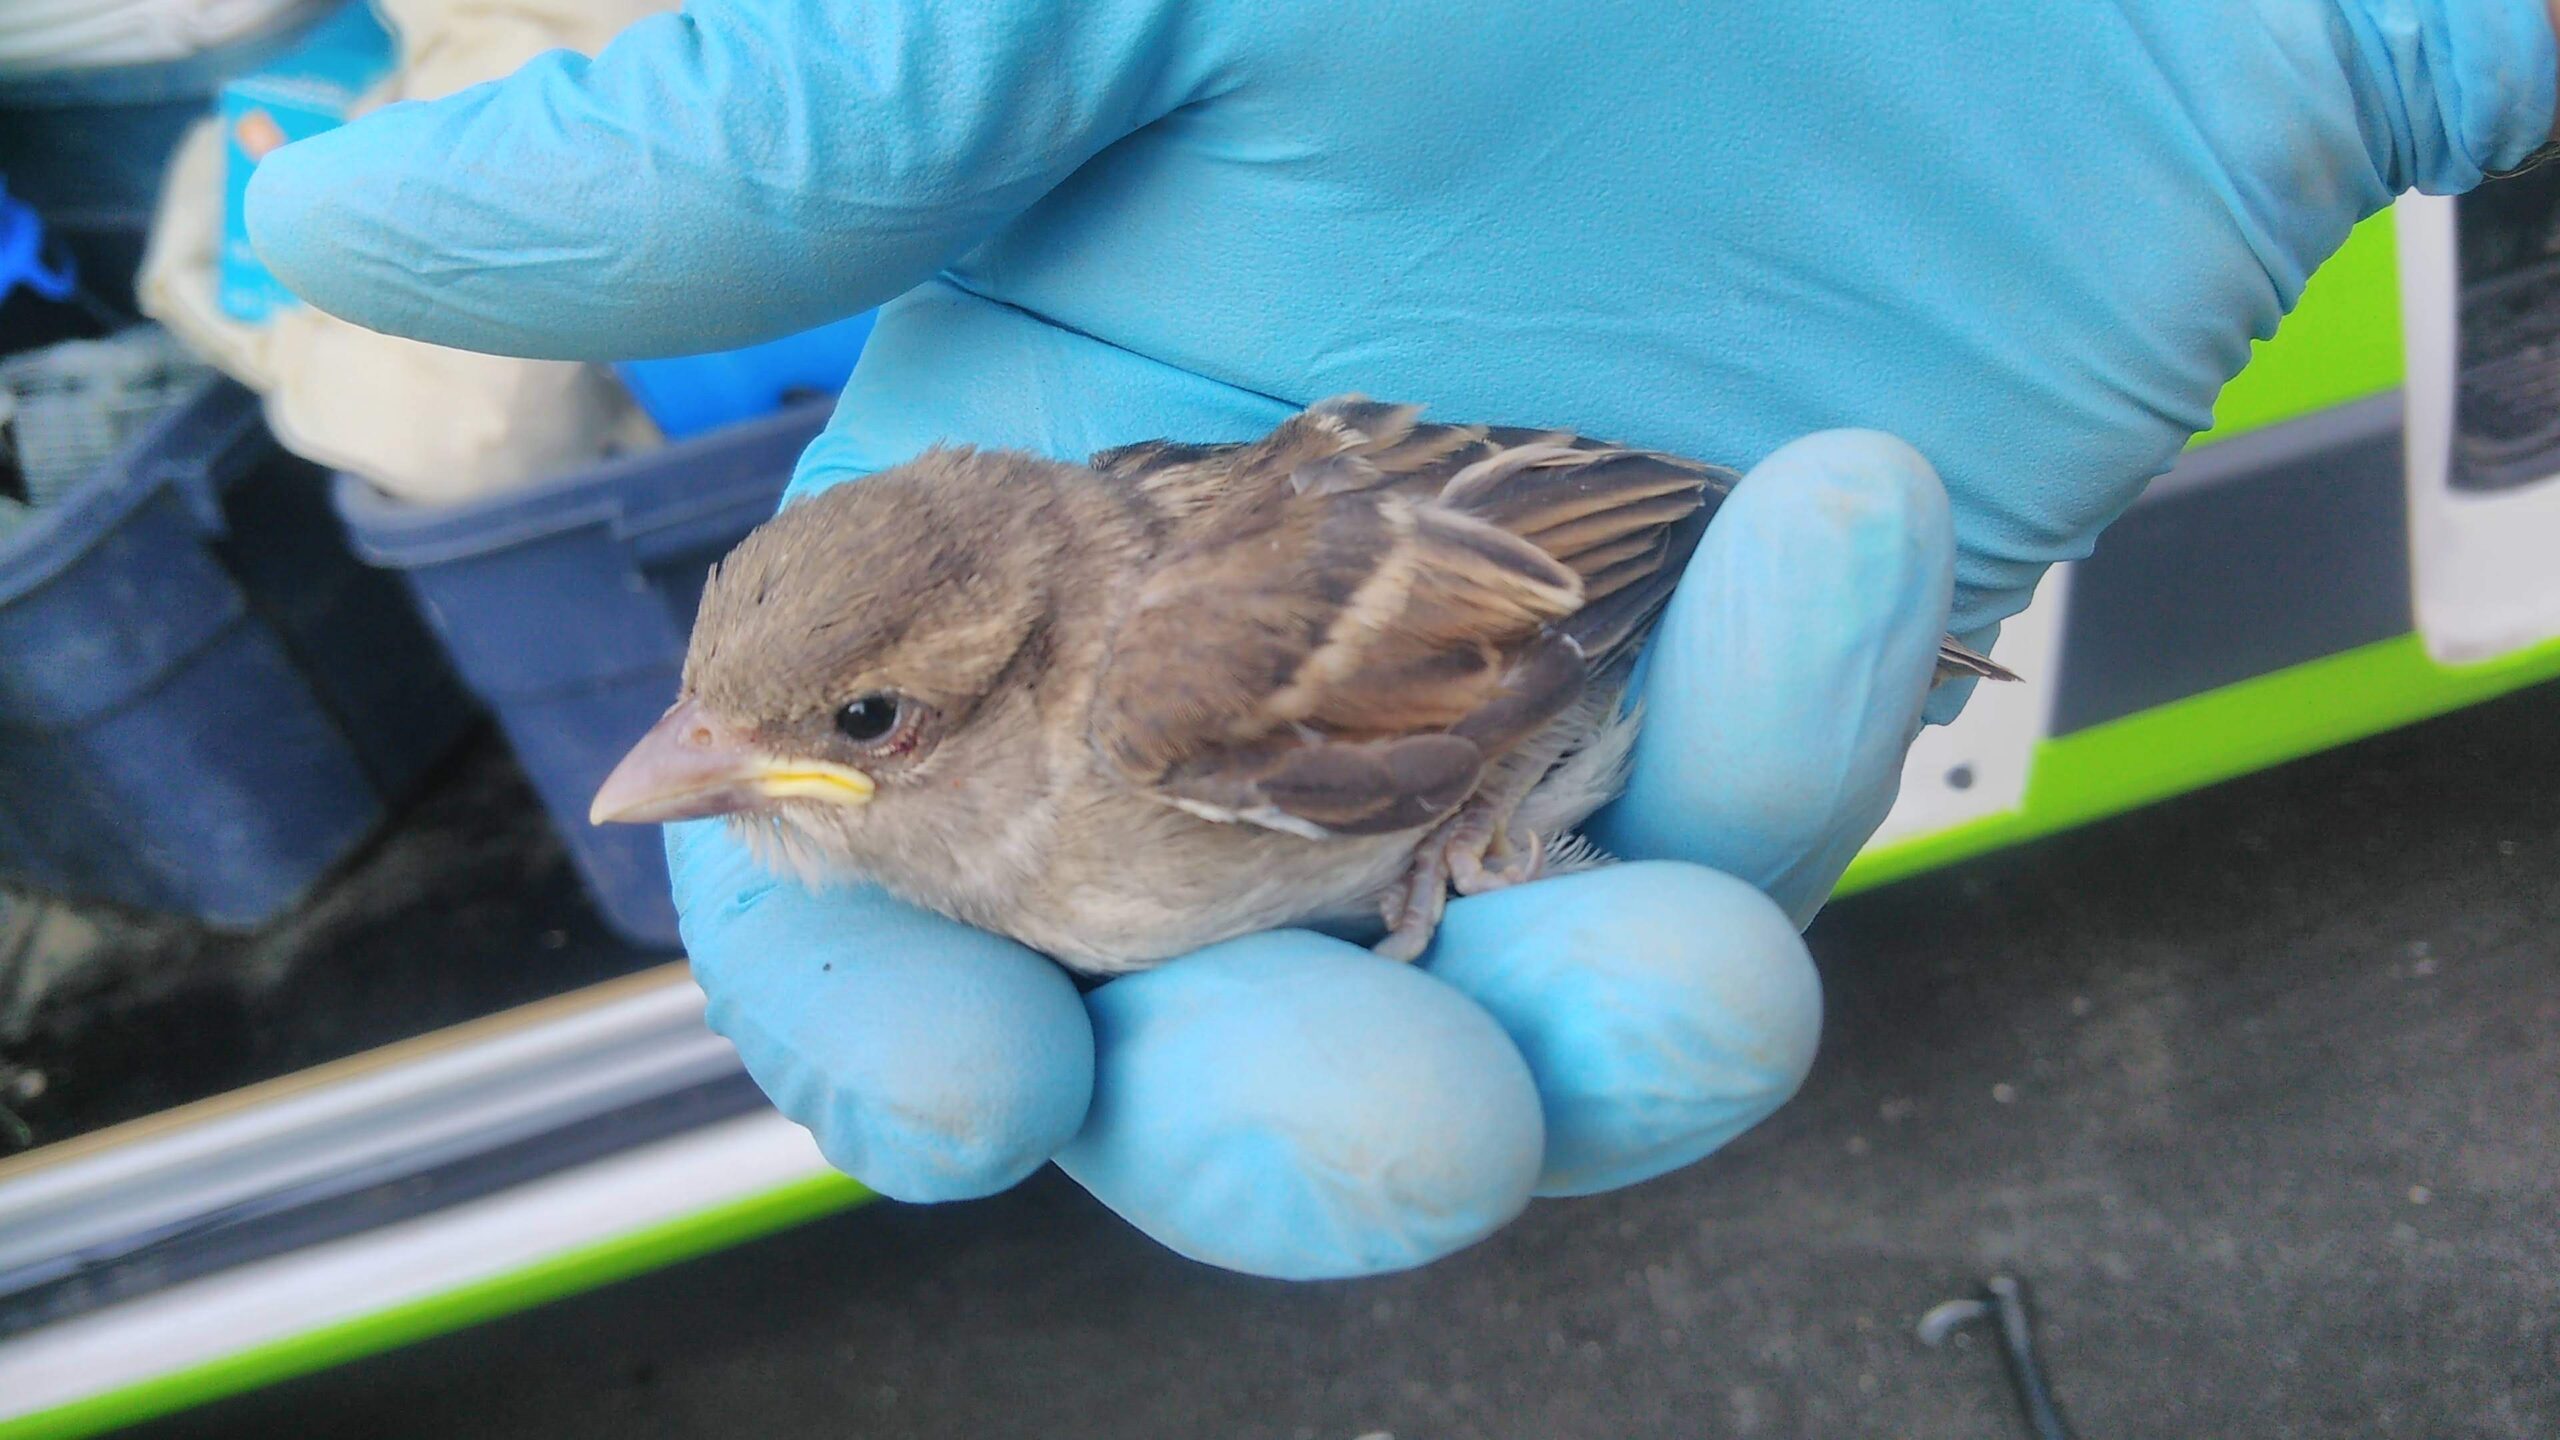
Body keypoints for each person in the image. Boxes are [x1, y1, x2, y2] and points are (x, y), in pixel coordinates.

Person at [246, 0, 2558, 1279]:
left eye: (849, 727)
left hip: (1570, 544)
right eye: (729, 727)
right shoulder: (954, 637)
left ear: (988, 679)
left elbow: (1514, 598)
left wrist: (1483, 793)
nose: (709, 773)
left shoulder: (1166, 707)